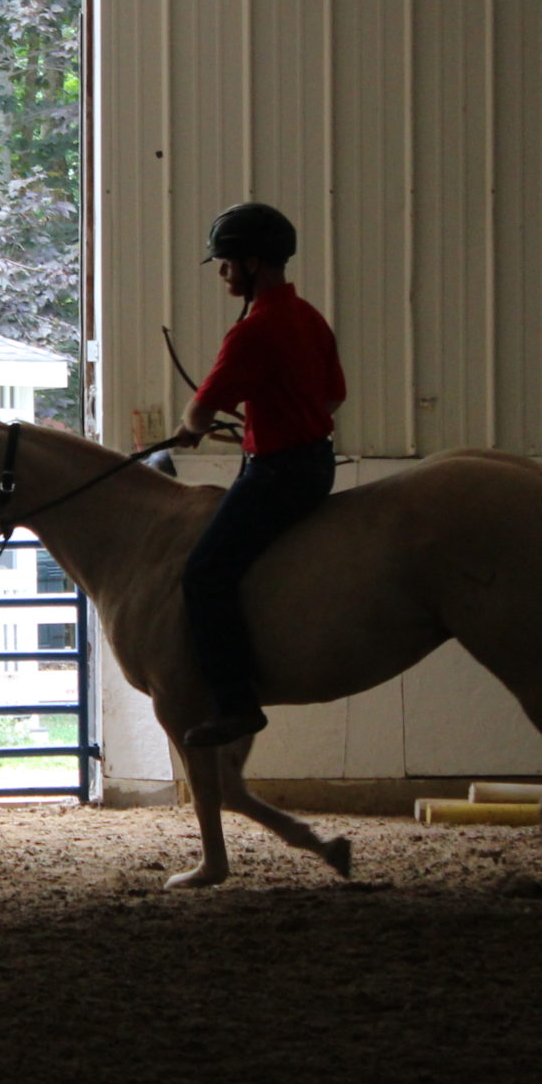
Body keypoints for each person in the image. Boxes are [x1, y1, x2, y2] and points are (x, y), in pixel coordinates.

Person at [165, 202, 346, 749]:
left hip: (275, 474)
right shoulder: (310, 317)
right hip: (317, 465)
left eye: (225, 263)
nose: (222, 273)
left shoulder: (252, 330)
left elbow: (199, 411)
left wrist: (191, 427)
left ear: (252, 263)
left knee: (204, 572)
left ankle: (235, 703)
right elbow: (334, 396)